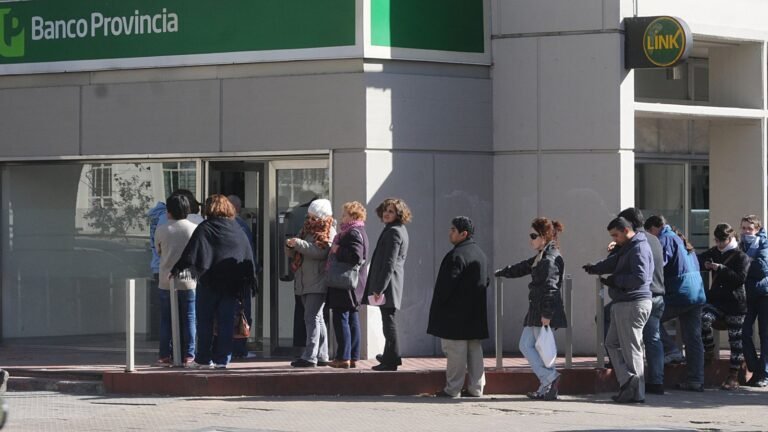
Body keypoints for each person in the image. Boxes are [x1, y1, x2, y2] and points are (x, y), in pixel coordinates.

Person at [171, 194, 258, 369]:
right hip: (231, 285)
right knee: (226, 322)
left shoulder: (205, 227)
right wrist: (250, 280)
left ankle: (204, 358)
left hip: (209, 282)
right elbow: (247, 254)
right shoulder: (237, 229)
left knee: (205, 321)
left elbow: (192, 252)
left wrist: (177, 269)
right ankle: (223, 359)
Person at [495, 217, 566, 400]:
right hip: (537, 310)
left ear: (544, 236)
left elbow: (551, 288)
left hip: (542, 311)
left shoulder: (549, 259)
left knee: (537, 348)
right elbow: (524, 267)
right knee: (529, 346)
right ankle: (547, 383)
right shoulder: (542, 256)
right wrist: (504, 272)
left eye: (533, 236)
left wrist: (547, 314)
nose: (530, 240)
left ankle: (549, 380)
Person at [584, 217, 652, 403]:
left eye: (616, 235)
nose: (614, 239)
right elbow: (614, 262)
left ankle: (636, 392)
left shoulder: (638, 248)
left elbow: (640, 277)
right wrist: (595, 268)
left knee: (632, 349)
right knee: (611, 343)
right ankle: (628, 381)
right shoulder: (629, 246)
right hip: (625, 302)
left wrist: (615, 281)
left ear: (625, 230)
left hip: (632, 303)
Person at [603, 208, 666, 395]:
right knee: (652, 339)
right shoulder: (654, 240)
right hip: (656, 295)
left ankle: (631, 381)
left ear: (627, 225)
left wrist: (614, 250)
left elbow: (616, 265)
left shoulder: (632, 243)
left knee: (627, 341)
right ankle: (656, 381)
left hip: (635, 296)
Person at [428, 217, 490, 398]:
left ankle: (452, 389)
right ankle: (476, 388)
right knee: (474, 352)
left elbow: (446, 286)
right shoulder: (480, 253)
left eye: (453, 230)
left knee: (455, 352)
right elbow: (486, 281)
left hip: (455, 316)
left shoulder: (457, 255)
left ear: (464, 234)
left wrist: (440, 306)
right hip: (475, 315)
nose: (450, 233)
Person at [644, 215, 706, 391]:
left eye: (649, 233)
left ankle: (671, 350)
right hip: (696, 293)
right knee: (693, 338)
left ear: (654, 228)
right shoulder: (680, 239)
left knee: (650, 318)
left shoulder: (665, 239)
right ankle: (696, 380)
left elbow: (658, 264)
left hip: (680, 292)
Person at [698, 223, 749, 390]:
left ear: (730, 238)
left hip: (735, 304)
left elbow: (739, 279)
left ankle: (733, 375)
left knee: (735, 340)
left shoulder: (741, 256)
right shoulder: (714, 252)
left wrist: (721, 268)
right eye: (717, 240)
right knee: (703, 318)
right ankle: (709, 350)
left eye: (723, 241)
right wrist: (705, 264)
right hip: (716, 301)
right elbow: (698, 259)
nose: (719, 244)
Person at [286, 199, 335, 368]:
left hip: (317, 280)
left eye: (314, 217)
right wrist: (290, 245)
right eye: (309, 216)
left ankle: (310, 356)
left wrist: (298, 244)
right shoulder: (306, 229)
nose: (310, 220)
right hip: (305, 279)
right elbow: (298, 252)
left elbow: (321, 252)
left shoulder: (328, 230)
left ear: (322, 216)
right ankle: (321, 355)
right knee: (317, 318)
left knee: (311, 317)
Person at [364, 197, 411, 371]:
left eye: (391, 211)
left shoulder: (394, 232)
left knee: (388, 322)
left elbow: (389, 263)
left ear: (399, 214)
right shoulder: (395, 229)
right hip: (390, 283)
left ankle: (391, 359)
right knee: (387, 320)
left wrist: (379, 288)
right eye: (385, 210)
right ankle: (389, 355)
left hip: (389, 284)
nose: (386, 213)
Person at [154, 194, 198, 367]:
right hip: (189, 280)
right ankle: (189, 356)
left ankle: (164, 355)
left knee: (166, 319)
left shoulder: (162, 229)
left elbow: (158, 251)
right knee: (189, 318)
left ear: (169, 211)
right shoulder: (193, 228)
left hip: (166, 279)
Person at [327, 201, 369, 369]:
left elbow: (355, 256)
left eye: (344, 214)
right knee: (351, 318)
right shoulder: (360, 231)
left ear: (353, 216)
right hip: (352, 284)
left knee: (341, 318)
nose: (342, 217)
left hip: (345, 283)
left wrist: (337, 249)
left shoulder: (352, 233)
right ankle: (352, 357)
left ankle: (343, 357)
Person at [227, 194, 258, 359]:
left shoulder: (223, 225)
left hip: (230, 277)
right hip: (242, 277)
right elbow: (249, 252)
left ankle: (230, 348)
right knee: (242, 314)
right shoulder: (241, 226)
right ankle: (239, 349)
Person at [739, 215, 768, 387]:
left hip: (764, 294)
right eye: (743, 228)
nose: (746, 232)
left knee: (765, 335)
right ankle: (755, 368)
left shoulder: (763, 243)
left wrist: (744, 261)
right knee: (743, 332)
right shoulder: (740, 244)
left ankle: (764, 374)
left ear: (757, 229)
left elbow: (762, 268)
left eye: (750, 228)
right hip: (747, 295)